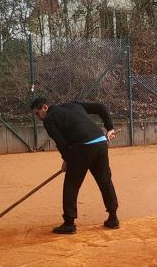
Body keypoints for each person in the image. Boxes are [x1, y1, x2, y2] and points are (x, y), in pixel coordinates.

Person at [30, 97, 120, 234]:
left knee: (71, 185)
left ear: (45, 107)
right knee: (105, 181)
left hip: (82, 148)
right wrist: (110, 128)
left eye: (37, 113)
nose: (38, 117)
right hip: (101, 142)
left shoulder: (49, 119)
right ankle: (113, 218)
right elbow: (101, 107)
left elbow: (61, 142)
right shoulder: (74, 105)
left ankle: (69, 224)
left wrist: (67, 160)